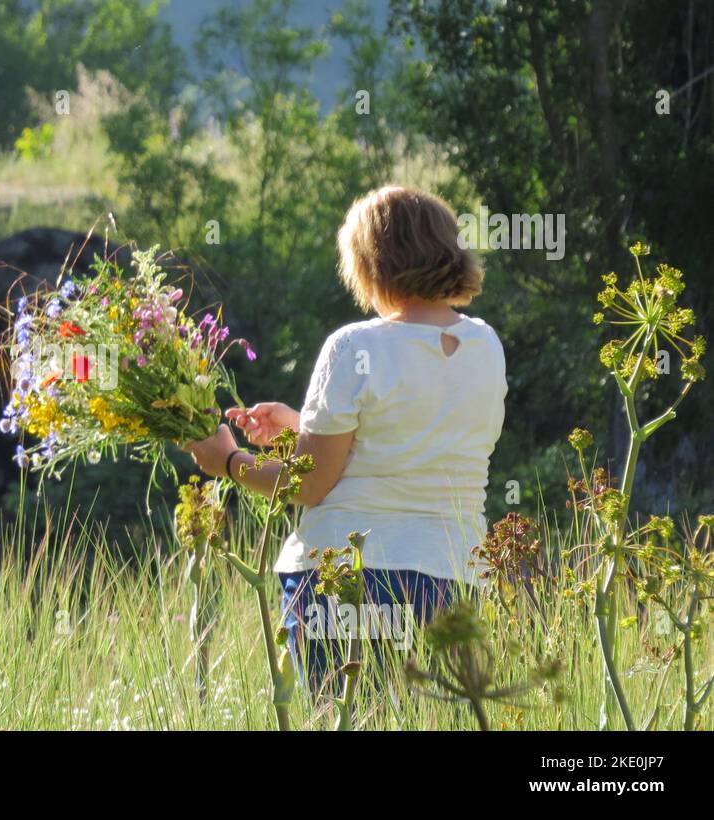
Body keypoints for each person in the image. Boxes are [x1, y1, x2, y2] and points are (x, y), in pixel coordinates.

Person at [186, 186, 507, 691]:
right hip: (452, 578)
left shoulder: (354, 345)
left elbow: (310, 488)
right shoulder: (485, 344)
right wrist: (302, 424)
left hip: (347, 577)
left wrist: (227, 460)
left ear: (371, 263)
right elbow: (411, 434)